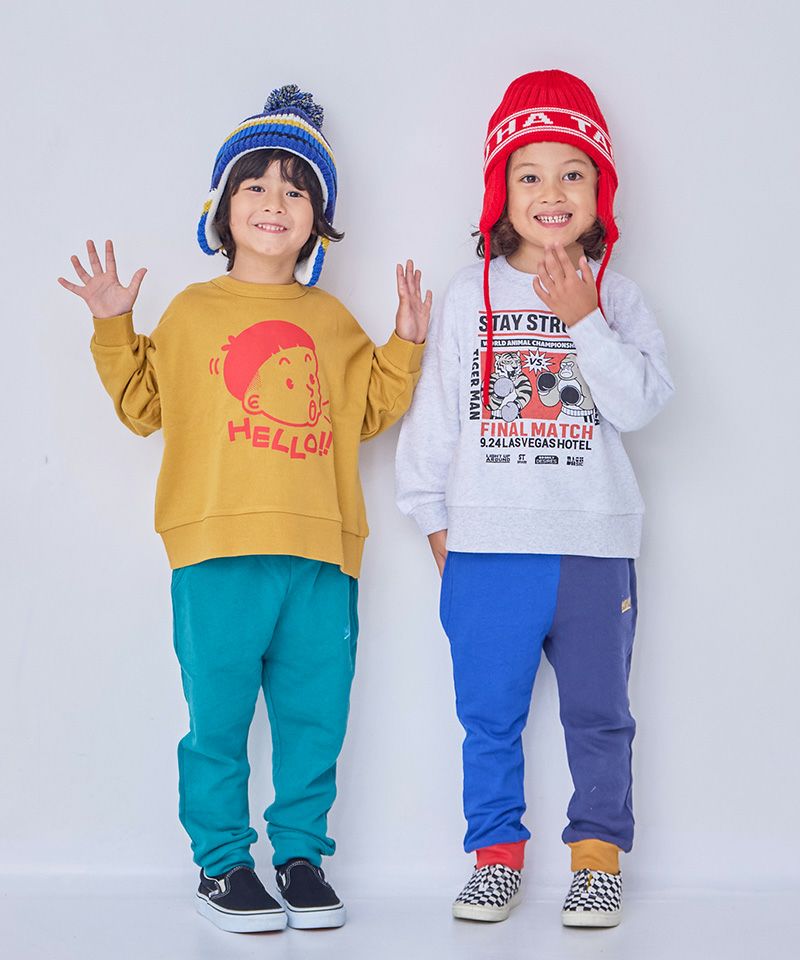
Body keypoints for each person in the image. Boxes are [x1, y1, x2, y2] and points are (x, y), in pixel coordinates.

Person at [59, 84, 430, 934]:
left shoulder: (332, 321)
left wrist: (406, 342)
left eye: (296, 190)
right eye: (255, 185)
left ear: (317, 221)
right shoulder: (192, 313)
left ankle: (300, 856)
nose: (274, 202)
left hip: (322, 556)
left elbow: (369, 410)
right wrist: (115, 327)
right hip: (215, 552)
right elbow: (144, 407)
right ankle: (222, 862)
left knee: (315, 717)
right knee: (217, 720)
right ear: (222, 208)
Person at [395, 69, 673, 928]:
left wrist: (585, 317)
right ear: (501, 193)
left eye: (572, 173)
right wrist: (438, 530)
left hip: (594, 546)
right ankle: (495, 860)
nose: (552, 192)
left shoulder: (617, 296)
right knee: (488, 718)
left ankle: (597, 863)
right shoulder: (466, 294)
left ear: (600, 191)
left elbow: (642, 404)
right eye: (530, 174)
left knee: (600, 716)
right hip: (487, 551)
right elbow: (438, 419)